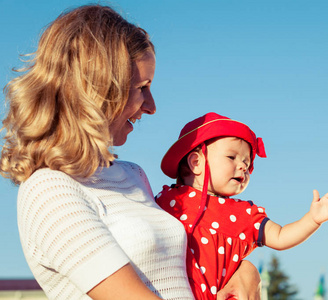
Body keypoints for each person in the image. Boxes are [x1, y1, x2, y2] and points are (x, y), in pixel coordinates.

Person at [0, 5, 260, 300]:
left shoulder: (133, 175)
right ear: (95, 90)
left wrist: (243, 268)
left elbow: (190, 259)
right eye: (142, 87)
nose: (151, 106)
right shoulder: (49, 191)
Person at [155, 112, 328, 300]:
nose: (243, 166)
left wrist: (312, 219)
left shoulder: (245, 213)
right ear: (196, 163)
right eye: (232, 157)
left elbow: (280, 236)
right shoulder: (168, 200)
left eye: (247, 161)